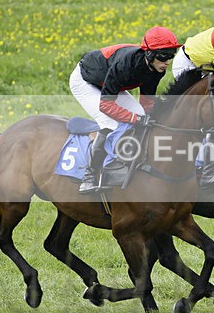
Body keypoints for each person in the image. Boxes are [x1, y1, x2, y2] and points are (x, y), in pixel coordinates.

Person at [69, 26, 183, 193]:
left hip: (108, 82)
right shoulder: (125, 66)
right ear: (149, 53)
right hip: (86, 81)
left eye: (170, 56)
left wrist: (152, 117)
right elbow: (106, 105)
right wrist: (134, 119)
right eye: (163, 56)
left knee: (142, 115)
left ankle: (131, 161)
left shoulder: (157, 69)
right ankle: (89, 176)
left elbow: (146, 102)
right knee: (110, 123)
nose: (167, 62)